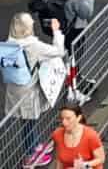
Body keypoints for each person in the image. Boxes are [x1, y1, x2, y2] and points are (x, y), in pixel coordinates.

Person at [7, 12, 65, 167]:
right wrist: (56, 32)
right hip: (28, 91)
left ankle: (34, 146)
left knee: (28, 120)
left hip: (14, 89)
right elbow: (59, 51)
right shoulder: (32, 45)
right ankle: (30, 155)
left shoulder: (10, 42)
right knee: (29, 121)